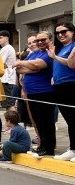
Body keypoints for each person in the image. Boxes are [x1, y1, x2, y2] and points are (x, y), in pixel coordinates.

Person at [15, 32, 55, 157]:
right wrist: (32, 68)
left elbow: (39, 64)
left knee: (46, 121)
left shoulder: (49, 52)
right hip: (31, 92)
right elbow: (18, 69)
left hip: (45, 91)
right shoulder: (35, 53)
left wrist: (21, 62)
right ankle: (42, 146)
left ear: (50, 40)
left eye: (43, 39)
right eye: (38, 40)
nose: (40, 42)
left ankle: (49, 148)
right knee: (37, 121)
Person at [47, 21, 75, 161]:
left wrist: (55, 57)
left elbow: (72, 64)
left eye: (64, 31)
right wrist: (54, 76)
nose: (60, 35)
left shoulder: (73, 46)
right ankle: (73, 149)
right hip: (60, 86)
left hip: (71, 85)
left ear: (72, 32)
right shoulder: (60, 48)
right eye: (57, 33)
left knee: (74, 118)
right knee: (70, 119)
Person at [0, 30, 17, 108]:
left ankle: (13, 120)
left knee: (9, 105)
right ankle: (11, 120)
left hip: (7, 79)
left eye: (1, 37)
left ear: (7, 38)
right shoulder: (8, 48)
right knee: (8, 104)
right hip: (8, 79)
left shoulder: (6, 48)